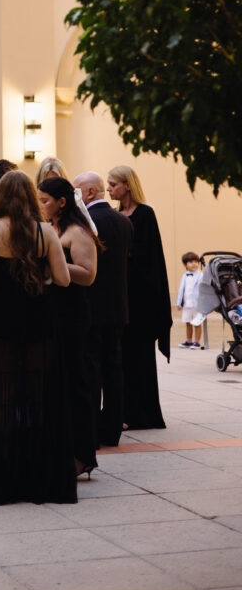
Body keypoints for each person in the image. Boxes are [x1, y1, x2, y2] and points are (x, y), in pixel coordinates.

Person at [0, 170, 76, 506]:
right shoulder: (46, 231)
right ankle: (37, 470)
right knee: (39, 393)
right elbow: (63, 280)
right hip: (39, 317)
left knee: (1, 393)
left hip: (1, 319)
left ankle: (2, 470)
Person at [38, 176, 99, 478]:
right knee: (56, 383)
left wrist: (52, 264)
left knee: (76, 381)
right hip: (52, 312)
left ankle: (82, 455)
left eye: (45, 200)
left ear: (62, 202)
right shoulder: (52, 229)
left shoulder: (78, 232)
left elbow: (88, 275)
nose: (41, 206)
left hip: (73, 313)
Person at [107, 165, 172, 430]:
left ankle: (142, 413)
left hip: (141, 298)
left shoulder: (145, 214)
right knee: (122, 358)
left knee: (140, 356)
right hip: (121, 296)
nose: (109, 189)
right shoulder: (113, 215)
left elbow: (150, 256)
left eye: (113, 184)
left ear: (127, 185)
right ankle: (124, 411)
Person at [74, 171, 132, 448]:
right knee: (114, 368)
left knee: (91, 370)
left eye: (76, 192)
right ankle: (112, 429)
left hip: (92, 307)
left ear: (89, 193)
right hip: (118, 306)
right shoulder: (123, 221)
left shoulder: (87, 223)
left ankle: (92, 430)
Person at [177, 252, 205, 349]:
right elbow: (181, 289)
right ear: (185, 264)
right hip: (186, 304)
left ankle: (196, 342)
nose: (194, 264)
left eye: (196, 261)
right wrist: (179, 303)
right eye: (190, 262)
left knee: (197, 323)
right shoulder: (184, 276)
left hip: (197, 305)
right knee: (188, 323)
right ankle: (189, 341)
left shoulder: (201, 275)